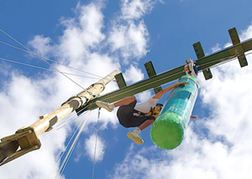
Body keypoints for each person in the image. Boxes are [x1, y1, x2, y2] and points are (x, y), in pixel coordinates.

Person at [96, 81, 194, 145]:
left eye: (160, 110)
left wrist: (186, 115)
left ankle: (135, 133)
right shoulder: (150, 103)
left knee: (152, 119)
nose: (158, 110)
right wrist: (175, 85)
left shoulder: (152, 116)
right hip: (126, 113)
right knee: (133, 99)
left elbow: (171, 112)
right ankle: (111, 106)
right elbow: (162, 92)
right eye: (159, 108)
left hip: (129, 123)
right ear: (157, 106)